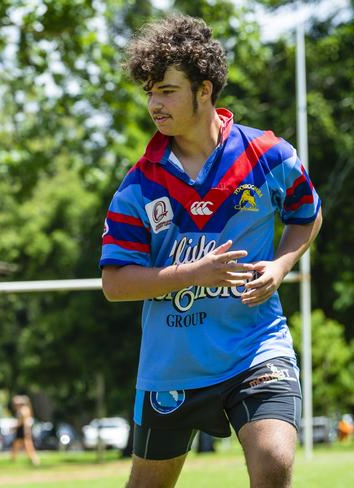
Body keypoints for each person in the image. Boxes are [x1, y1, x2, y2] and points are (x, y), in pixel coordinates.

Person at [100, 15, 322, 488]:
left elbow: (307, 214)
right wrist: (194, 272)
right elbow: (116, 284)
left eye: (167, 90)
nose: (154, 104)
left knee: (274, 463)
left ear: (204, 90)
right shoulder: (139, 185)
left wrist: (281, 265)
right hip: (173, 367)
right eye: (150, 92)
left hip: (256, 349)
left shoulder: (268, 154)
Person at [10, 395, 40, 466]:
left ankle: (34, 460)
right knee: (16, 445)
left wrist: (26, 432)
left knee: (28, 446)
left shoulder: (24, 410)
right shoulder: (23, 410)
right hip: (23, 430)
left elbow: (23, 422)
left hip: (24, 430)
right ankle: (13, 459)